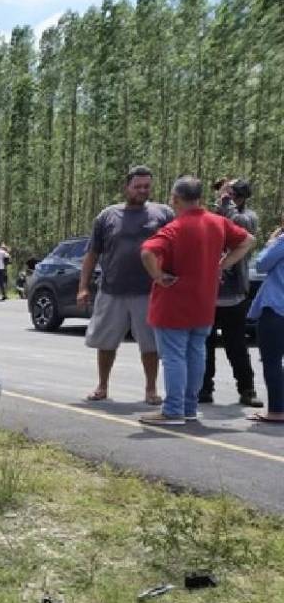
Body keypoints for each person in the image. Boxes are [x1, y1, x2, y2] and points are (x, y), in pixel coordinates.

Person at [137, 176, 256, 426]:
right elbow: (248, 241)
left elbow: (148, 251)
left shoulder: (174, 228)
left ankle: (173, 410)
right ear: (199, 198)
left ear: (176, 199)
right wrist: (222, 265)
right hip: (204, 303)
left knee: (173, 357)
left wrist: (157, 276)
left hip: (174, 304)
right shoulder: (218, 223)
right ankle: (189, 407)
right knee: (196, 354)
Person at [78, 165, 174, 404]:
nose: (142, 191)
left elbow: (177, 248)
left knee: (150, 344)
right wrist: (83, 286)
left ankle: (151, 390)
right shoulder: (107, 215)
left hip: (149, 291)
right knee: (106, 342)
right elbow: (92, 253)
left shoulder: (163, 214)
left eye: (147, 186)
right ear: (126, 187)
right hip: (113, 289)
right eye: (137, 186)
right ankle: (102, 386)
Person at [201, 178, 262, 406]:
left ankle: (247, 389)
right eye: (223, 194)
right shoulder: (212, 216)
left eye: (231, 195)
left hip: (233, 293)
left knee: (236, 345)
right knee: (204, 345)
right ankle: (204, 388)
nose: (224, 198)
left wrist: (227, 205)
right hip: (208, 292)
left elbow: (240, 228)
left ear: (242, 198)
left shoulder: (248, 217)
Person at [246, 223, 284, 423]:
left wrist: (271, 243)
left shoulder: (282, 242)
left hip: (277, 308)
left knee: (272, 361)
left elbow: (261, 264)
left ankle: (277, 410)